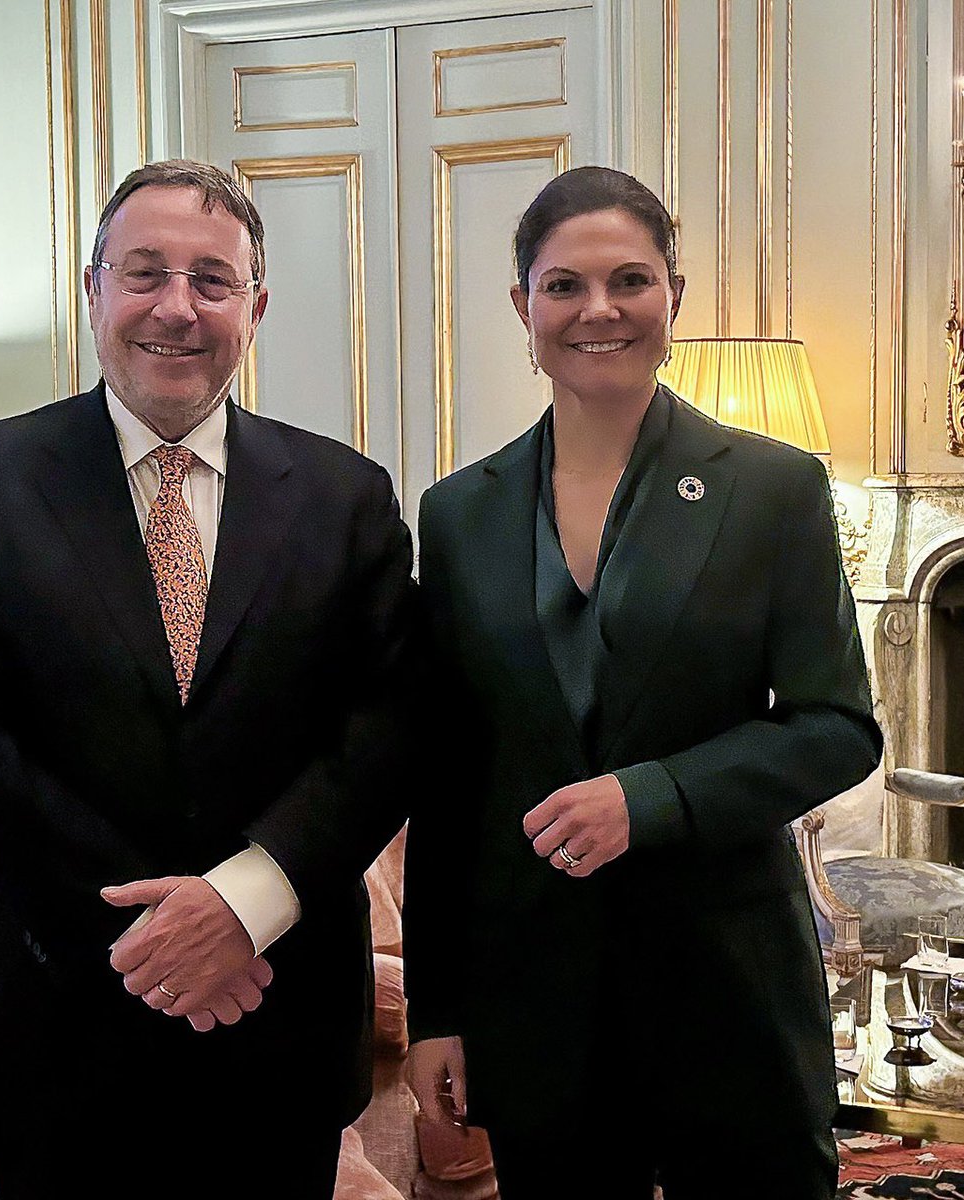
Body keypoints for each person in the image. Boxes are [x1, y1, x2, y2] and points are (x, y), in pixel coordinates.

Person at [0, 160, 417, 1198]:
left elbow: (386, 730)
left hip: (280, 1005)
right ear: (93, 290)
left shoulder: (344, 496)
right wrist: (155, 941)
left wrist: (241, 906)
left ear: (253, 307)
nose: (176, 308)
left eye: (212, 280)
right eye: (144, 273)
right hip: (50, 1010)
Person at [402, 166, 882, 1199]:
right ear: (520, 305)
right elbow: (447, 783)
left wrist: (650, 797)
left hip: (727, 993)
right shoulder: (455, 515)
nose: (597, 310)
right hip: (536, 1011)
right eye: (562, 285)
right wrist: (438, 1009)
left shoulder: (771, 488)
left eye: (629, 279)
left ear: (674, 294)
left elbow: (836, 728)